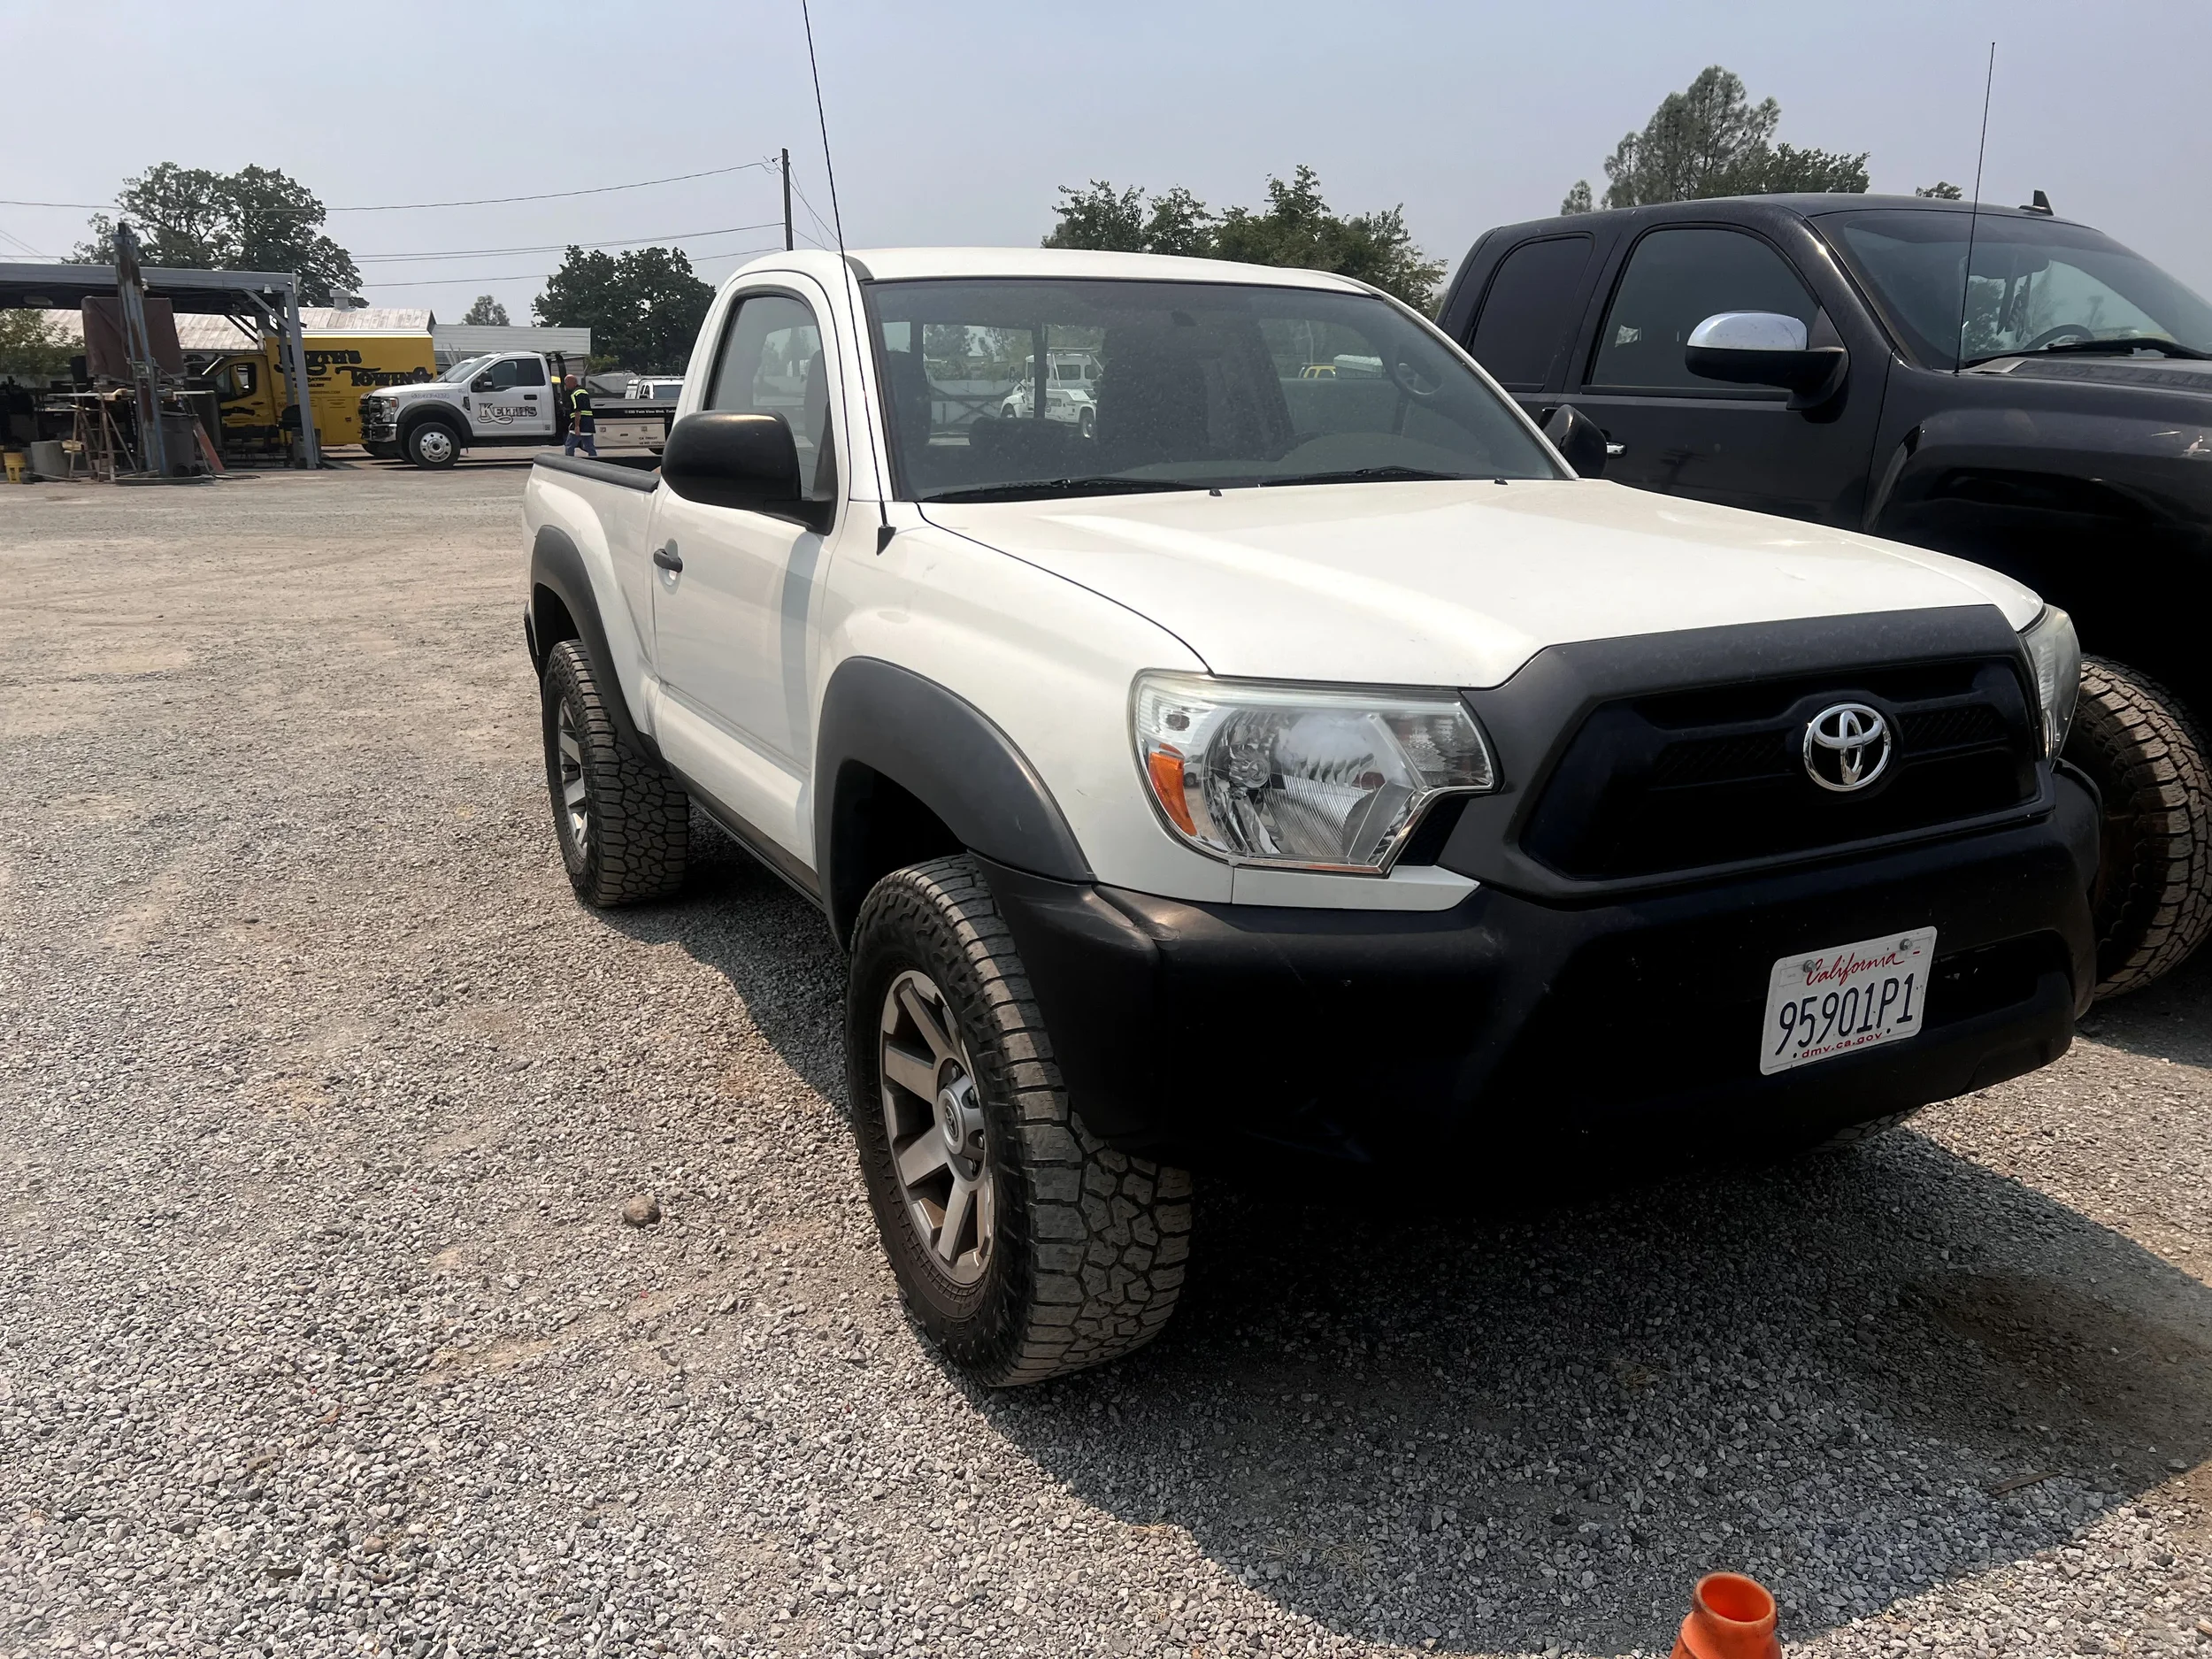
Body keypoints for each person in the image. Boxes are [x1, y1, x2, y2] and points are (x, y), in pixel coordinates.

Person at [562, 374, 596, 457]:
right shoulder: (584, 391)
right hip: (589, 424)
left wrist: (576, 426)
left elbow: (577, 411)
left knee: (569, 446)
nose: (566, 386)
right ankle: (596, 463)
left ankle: (569, 464)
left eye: (566, 384)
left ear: (572, 383)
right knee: (590, 447)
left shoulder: (574, 394)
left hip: (579, 423)